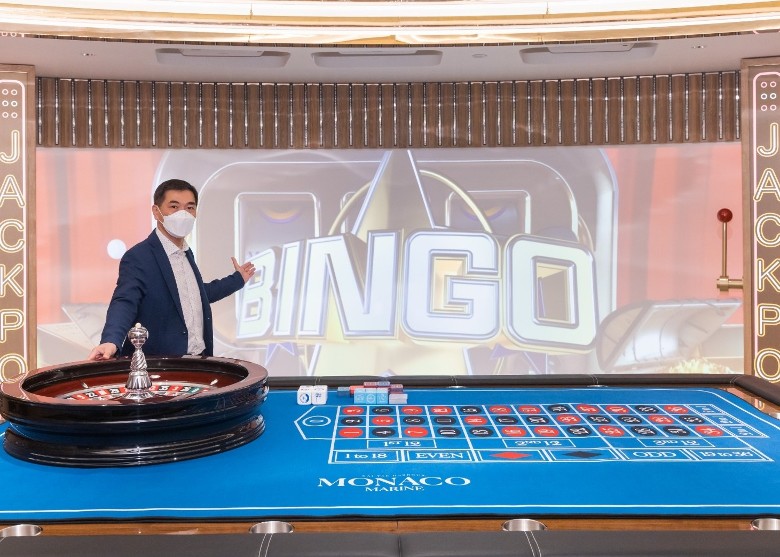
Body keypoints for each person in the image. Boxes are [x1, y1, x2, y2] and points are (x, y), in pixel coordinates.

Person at [88, 178, 255, 360]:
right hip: (161, 365)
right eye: (174, 207)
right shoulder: (139, 256)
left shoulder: (186, 253)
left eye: (190, 207)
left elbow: (195, 295)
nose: (183, 214)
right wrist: (110, 340)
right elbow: (125, 301)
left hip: (200, 361)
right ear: (156, 212)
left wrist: (237, 279)